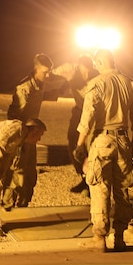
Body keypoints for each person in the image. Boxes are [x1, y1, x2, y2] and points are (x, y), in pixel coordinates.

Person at [73, 49, 133, 252]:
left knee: (100, 188)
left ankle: (99, 237)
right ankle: (120, 237)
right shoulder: (131, 83)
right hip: (123, 139)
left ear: (99, 62)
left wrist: (79, 145)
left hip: (103, 140)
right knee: (122, 191)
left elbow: (87, 117)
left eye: (96, 64)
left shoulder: (97, 83)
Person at [0, 53, 53, 209]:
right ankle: (7, 206)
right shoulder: (25, 88)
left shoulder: (40, 83)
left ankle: (23, 204)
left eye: (49, 71)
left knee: (29, 173)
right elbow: (14, 116)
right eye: (45, 72)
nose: (48, 75)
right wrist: (19, 138)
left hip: (30, 136)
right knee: (16, 172)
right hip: (21, 136)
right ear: (36, 69)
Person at [49, 54, 99, 196]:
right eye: (84, 71)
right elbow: (52, 74)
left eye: (89, 71)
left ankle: (91, 181)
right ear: (78, 67)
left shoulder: (97, 75)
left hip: (93, 113)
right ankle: (82, 177)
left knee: (90, 144)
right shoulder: (71, 69)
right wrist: (59, 88)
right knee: (73, 141)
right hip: (79, 110)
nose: (86, 74)